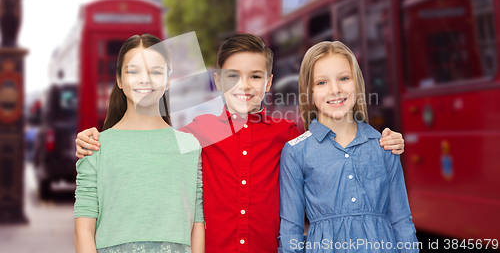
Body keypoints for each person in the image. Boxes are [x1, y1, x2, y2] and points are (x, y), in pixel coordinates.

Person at [74, 34, 405, 253]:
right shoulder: (195, 133)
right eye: (232, 76)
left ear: (269, 82)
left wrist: (385, 140)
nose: (244, 86)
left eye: (255, 76)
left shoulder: (288, 135)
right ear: (217, 80)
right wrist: (94, 141)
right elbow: (147, 151)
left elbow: (334, 145)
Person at [278, 41, 418, 253]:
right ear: (310, 91)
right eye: (322, 82)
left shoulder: (384, 145)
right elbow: (291, 231)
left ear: (357, 84)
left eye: (344, 78)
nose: (335, 90)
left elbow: (401, 220)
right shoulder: (296, 152)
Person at [73, 34, 205, 253]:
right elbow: (83, 230)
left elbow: (197, 223)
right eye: (133, 71)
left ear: (168, 80)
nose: (145, 79)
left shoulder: (189, 146)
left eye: (155, 71)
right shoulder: (96, 146)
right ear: (119, 80)